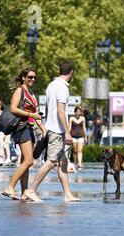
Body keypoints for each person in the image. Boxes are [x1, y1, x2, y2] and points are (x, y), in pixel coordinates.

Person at [23, 60, 79, 202]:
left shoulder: (51, 86)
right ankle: (31, 190)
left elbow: (48, 108)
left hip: (52, 127)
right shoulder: (63, 88)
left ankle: (67, 194)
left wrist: (45, 125)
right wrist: (67, 132)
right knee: (52, 161)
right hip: (57, 130)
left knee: (63, 162)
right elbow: (61, 111)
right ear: (71, 72)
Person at [2, 68, 44, 200]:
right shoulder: (20, 90)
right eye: (30, 77)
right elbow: (13, 108)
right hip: (21, 128)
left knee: (24, 161)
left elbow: (36, 115)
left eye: (34, 77)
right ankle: (9, 187)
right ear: (24, 78)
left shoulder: (31, 95)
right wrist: (31, 114)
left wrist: (43, 129)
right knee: (29, 161)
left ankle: (24, 192)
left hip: (29, 128)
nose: (32, 80)